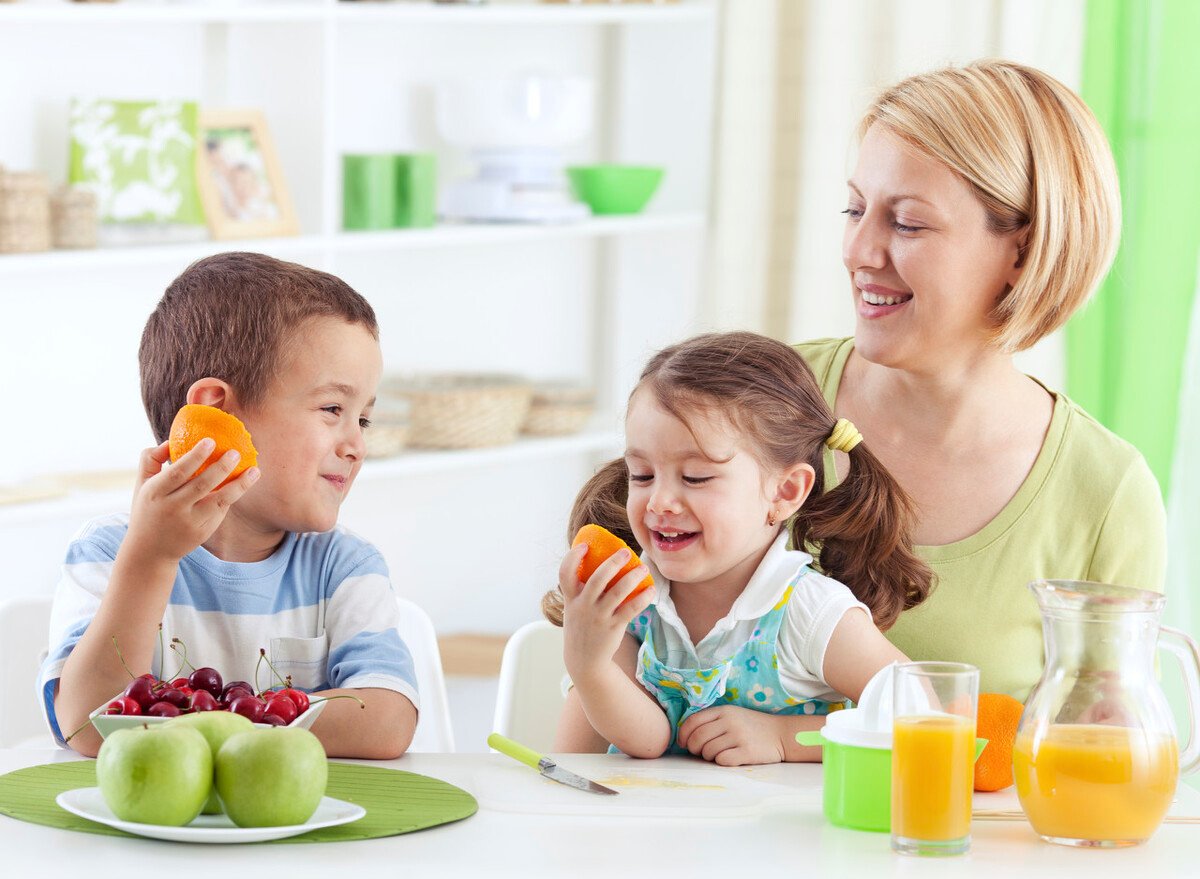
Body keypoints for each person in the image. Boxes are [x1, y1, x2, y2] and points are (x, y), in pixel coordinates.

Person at [800, 59, 1166, 700]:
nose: (859, 251)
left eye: (907, 223)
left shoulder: (1105, 492)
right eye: (854, 209)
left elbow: (1095, 754)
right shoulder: (760, 396)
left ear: (1023, 252)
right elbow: (628, 657)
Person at [40, 252, 419, 759]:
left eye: (363, 420)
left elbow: (387, 720)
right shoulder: (111, 550)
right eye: (333, 409)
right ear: (217, 411)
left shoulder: (342, 565)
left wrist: (205, 717)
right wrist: (152, 557)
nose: (356, 444)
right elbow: (88, 724)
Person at [543, 332, 934, 765]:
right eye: (642, 475)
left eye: (695, 478)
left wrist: (785, 738)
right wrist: (590, 667)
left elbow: (919, 716)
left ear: (784, 491)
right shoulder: (630, 598)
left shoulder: (806, 611)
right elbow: (637, 742)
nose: (659, 502)